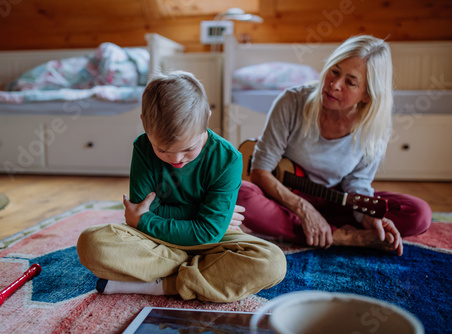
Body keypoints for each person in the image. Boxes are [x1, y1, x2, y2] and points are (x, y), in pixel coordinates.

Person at [77, 71, 286, 303]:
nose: (176, 160)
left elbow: (158, 219)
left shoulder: (229, 159)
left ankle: (163, 284)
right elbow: (158, 214)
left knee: (272, 263)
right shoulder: (143, 147)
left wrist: (145, 219)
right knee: (92, 243)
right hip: (160, 238)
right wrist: (207, 216)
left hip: (207, 239)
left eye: (189, 149)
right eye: (162, 150)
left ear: (207, 118)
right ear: (144, 124)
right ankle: (200, 275)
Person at [237, 35, 431, 256]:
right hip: (286, 199)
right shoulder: (291, 101)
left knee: (418, 213)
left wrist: (367, 216)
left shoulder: (374, 127)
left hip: (338, 201)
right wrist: (304, 209)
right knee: (240, 193)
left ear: (367, 94)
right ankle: (344, 237)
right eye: (335, 71)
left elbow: (357, 182)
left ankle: (320, 230)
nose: (334, 85)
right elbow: (260, 171)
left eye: (350, 82)